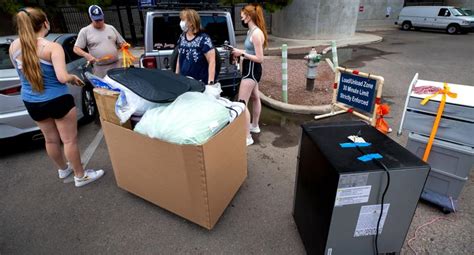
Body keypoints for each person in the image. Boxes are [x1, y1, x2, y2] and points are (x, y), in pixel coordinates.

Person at [9, 7, 104, 187]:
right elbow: (62, 77)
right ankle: (80, 176)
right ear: (45, 23)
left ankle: (63, 169)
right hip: (57, 99)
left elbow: (21, 75)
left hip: (31, 100)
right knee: (69, 140)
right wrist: (73, 78)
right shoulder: (52, 47)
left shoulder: (14, 46)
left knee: (50, 139)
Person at [231, 3, 268, 146]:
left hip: (252, 70)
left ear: (248, 16)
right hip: (249, 68)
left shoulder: (257, 34)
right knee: (255, 97)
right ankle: (254, 126)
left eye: (242, 15)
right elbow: (249, 52)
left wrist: (242, 54)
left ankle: (247, 137)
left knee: (241, 103)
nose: (241, 17)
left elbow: (260, 59)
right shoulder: (250, 32)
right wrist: (239, 52)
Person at [73, 5, 128, 78]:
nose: (99, 22)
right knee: (103, 88)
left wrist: (124, 46)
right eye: (96, 20)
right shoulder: (85, 31)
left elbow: (122, 43)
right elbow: (76, 49)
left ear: (103, 16)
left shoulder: (111, 28)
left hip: (116, 65)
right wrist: (87, 55)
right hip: (100, 69)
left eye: (100, 19)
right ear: (91, 18)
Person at [176, 8, 216, 85]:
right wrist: (176, 76)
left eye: (183, 20)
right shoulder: (182, 37)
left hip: (200, 83)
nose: (181, 22)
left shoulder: (204, 39)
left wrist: (211, 82)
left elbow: (212, 61)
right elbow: (179, 58)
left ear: (191, 22)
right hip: (184, 82)